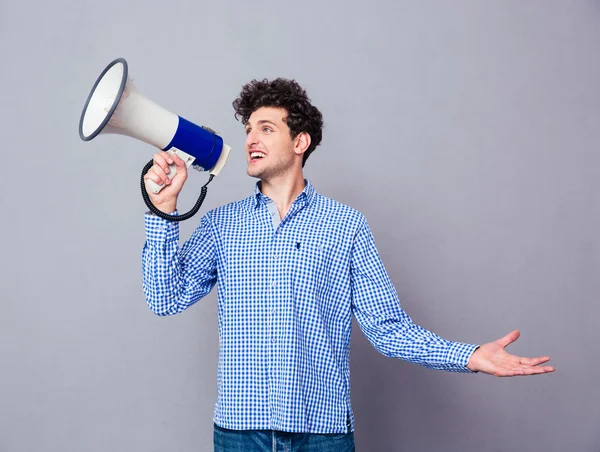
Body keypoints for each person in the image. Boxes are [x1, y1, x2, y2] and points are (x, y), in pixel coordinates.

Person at [141, 79, 554, 452]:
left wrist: (470, 356)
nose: (251, 138)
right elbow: (164, 298)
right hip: (239, 434)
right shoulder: (221, 225)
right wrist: (162, 210)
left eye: (266, 128)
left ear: (300, 142)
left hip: (323, 435)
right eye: (248, 129)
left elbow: (389, 330)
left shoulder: (346, 226)